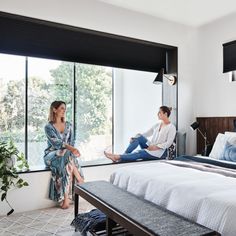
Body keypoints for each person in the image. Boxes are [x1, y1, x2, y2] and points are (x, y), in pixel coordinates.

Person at [44, 101, 84, 209]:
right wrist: (71, 149)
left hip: (65, 156)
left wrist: (71, 149)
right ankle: (79, 178)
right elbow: (56, 144)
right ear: (54, 110)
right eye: (62, 108)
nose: (64, 110)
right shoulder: (48, 127)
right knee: (66, 153)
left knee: (67, 164)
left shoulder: (69, 125)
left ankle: (65, 199)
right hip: (51, 155)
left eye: (65, 108)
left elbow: (72, 142)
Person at [104, 106, 176, 162]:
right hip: (151, 146)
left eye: (159, 112)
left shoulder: (171, 127)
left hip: (160, 152)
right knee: (138, 136)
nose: (157, 114)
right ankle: (123, 155)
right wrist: (134, 137)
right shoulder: (157, 125)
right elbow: (146, 134)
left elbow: (168, 143)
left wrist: (156, 147)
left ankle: (118, 157)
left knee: (140, 152)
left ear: (165, 114)